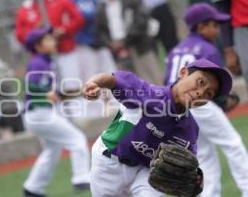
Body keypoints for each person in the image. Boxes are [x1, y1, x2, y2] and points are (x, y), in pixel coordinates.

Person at [83, 58, 232, 197]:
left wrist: (194, 177)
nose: (201, 92)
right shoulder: (148, 94)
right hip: (109, 162)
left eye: (209, 93)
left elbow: (188, 165)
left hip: (147, 172)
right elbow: (112, 79)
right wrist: (93, 83)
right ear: (183, 73)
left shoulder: (189, 131)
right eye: (200, 82)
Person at [164, 3, 248, 197]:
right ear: (201, 27)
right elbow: (212, 89)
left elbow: (168, 83)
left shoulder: (175, 50)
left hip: (179, 108)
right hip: (200, 104)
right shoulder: (207, 49)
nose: (218, 31)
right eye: (214, 25)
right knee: (232, 143)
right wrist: (224, 101)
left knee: (204, 154)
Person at [23, 27, 90, 197]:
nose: (54, 41)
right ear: (38, 46)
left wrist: (80, 91)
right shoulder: (38, 62)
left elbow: (56, 93)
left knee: (53, 150)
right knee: (77, 139)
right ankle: (81, 179)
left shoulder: (45, 61)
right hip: (39, 114)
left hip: (38, 114)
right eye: (48, 39)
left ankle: (32, 188)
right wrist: (44, 93)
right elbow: (31, 85)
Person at [15, 0, 85, 92]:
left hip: (65, 52)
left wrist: (63, 30)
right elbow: (20, 34)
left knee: (72, 87)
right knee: (51, 90)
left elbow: (78, 19)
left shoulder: (60, 0)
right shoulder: (25, 8)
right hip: (43, 58)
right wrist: (37, 33)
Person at [95, 0, 162, 85]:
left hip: (139, 47)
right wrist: (110, 44)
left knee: (152, 80)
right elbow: (100, 31)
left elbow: (141, 22)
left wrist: (124, 42)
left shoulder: (132, 0)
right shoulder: (101, 7)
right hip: (118, 51)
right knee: (128, 85)